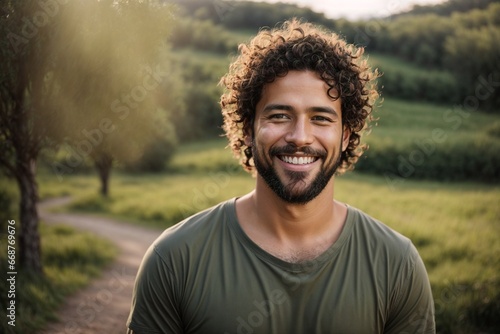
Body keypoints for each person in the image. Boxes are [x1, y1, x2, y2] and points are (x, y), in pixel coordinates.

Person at [126, 19, 435, 334]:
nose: (300, 136)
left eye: (320, 118)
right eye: (279, 115)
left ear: (345, 136)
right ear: (248, 129)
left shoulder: (397, 265)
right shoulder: (174, 260)